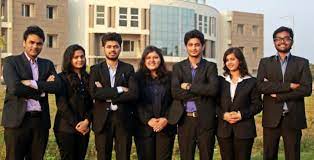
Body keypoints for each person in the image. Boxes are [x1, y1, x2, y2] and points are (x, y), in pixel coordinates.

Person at [1, 25, 60, 160]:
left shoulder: (48, 64)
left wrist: (32, 83)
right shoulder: (11, 62)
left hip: (40, 122)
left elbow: (57, 86)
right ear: (24, 43)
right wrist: (42, 91)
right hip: (17, 122)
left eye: (39, 43)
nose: (35, 46)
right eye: (31, 42)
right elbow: (15, 88)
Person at [257, 26, 312, 160]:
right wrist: (290, 86)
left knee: (293, 155)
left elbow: (306, 89)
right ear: (274, 42)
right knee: (269, 155)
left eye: (286, 38)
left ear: (292, 41)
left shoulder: (302, 63)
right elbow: (261, 86)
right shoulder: (265, 63)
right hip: (271, 118)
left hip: (293, 117)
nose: (282, 41)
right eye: (279, 39)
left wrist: (280, 95)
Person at [168, 29, 219, 160]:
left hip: (206, 120)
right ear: (186, 47)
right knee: (186, 156)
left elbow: (213, 90)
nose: (194, 48)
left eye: (197, 44)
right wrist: (202, 92)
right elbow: (175, 92)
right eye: (190, 45)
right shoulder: (178, 67)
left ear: (203, 46)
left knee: (206, 156)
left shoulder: (210, 67)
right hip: (185, 120)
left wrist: (189, 86)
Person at [89, 32, 137, 160]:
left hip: (123, 120)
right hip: (102, 121)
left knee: (123, 156)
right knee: (103, 156)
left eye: (115, 46)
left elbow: (133, 94)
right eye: (109, 46)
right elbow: (94, 93)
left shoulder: (128, 69)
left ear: (120, 48)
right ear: (103, 48)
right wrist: (119, 89)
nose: (112, 50)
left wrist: (106, 94)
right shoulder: (95, 69)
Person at [216, 47, 262, 160]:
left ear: (240, 60)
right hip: (224, 130)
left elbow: (257, 105)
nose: (229, 62)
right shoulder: (220, 81)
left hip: (245, 130)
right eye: (227, 60)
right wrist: (223, 115)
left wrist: (241, 114)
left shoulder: (251, 82)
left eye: (232, 59)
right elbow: (213, 103)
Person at [134, 46, 176, 160]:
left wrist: (166, 119)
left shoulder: (171, 77)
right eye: (148, 57)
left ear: (161, 59)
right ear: (144, 60)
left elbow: (176, 101)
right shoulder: (137, 78)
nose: (152, 60)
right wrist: (148, 119)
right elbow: (136, 102)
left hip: (165, 128)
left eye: (155, 57)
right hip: (144, 128)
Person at [54, 44, 92, 160]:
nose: (80, 60)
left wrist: (87, 121)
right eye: (76, 57)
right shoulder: (61, 77)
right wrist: (76, 124)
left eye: (82, 57)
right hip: (66, 128)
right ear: (69, 59)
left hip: (84, 127)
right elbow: (62, 104)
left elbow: (92, 103)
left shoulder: (89, 77)